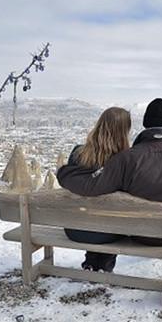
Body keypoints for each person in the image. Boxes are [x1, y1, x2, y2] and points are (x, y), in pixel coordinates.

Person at [57, 98, 162, 255]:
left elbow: (93, 186)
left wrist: (65, 172)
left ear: (145, 123)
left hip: (142, 234)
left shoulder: (127, 159)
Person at [62, 107, 132, 272]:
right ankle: (103, 266)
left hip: (74, 229)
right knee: (112, 217)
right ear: (124, 131)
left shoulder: (77, 154)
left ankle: (91, 263)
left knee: (92, 213)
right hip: (108, 233)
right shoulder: (126, 160)